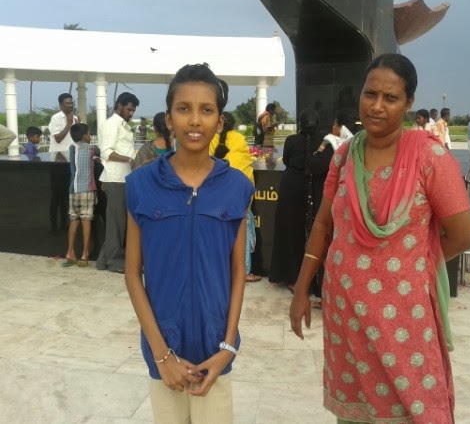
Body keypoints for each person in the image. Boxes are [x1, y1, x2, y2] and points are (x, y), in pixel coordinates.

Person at [290, 54, 470, 423]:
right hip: (345, 314)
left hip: (403, 317)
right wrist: (300, 290)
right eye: (370, 94)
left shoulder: (429, 156)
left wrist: (406, 269)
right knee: (355, 411)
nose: (376, 106)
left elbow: (463, 235)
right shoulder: (345, 156)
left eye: (390, 98)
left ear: (408, 104)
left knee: (411, 405)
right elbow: (324, 225)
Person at [125, 63, 253, 423]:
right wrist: (162, 355)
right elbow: (133, 274)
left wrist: (228, 347)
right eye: (184, 109)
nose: (195, 120)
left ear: (219, 121)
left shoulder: (237, 187)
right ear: (169, 118)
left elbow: (238, 272)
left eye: (206, 110)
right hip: (164, 354)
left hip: (215, 353)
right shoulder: (140, 185)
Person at [269, 109, 324, 290]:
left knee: (289, 230)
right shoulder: (323, 140)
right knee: (311, 232)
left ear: (300, 124)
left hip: (291, 186)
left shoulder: (291, 140)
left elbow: (287, 160)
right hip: (313, 187)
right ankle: (310, 279)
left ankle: (290, 278)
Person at [209, 110, 260, 282]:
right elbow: (244, 165)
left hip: (215, 194)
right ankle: (243, 271)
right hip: (238, 193)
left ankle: (219, 268)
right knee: (241, 231)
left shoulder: (211, 139)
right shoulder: (238, 139)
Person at [96, 92, 139, 273]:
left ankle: (102, 261)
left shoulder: (122, 125)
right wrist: (129, 159)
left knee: (119, 222)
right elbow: (106, 152)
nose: (131, 113)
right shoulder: (111, 124)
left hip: (123, 178)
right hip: (115, 178)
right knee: (117, 223)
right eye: (129, 109)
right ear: (119, 106)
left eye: (133, 110)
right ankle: (114, 262)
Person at [63, 123, 99, 268]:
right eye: (89, 133)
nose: (90, 136)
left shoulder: (71, 148)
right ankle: (84, 254)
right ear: (84, 136)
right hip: (87, 190)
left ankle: (70, 252)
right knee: (86, 221)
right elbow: (102, 154)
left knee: (74, 220)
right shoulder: (92, 148)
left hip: (73, 190)